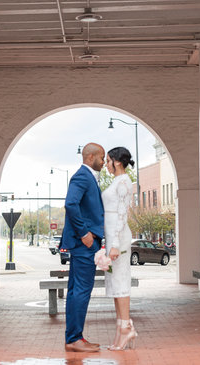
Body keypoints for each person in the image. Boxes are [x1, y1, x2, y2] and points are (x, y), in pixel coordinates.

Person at [60, 142, 105, 352]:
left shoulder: (88, 177)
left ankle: (73, 337)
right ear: (90, 157)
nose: (103, 162)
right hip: (83, 243)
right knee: (81, 291)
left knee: (75, 291)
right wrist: (84, 232)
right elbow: (70, 204)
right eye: (102, 158)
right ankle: (75, 338)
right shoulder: (82, 176)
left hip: (84, 244)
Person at [102, 146, 138, 350]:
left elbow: (122, 215)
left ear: (116, 161)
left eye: (108, 161)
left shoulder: (124, 182)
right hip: (111, 238)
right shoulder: (116, 181)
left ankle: (126, 328)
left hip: (119, 239)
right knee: (115, 284)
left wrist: (114, 244)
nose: (106, 165)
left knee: (121, 281)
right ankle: (122, 328)